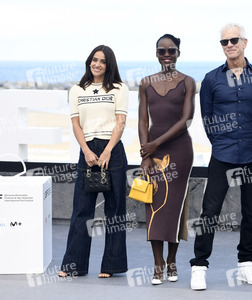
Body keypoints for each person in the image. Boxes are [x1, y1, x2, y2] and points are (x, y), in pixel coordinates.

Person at [190, 23, 252, 291]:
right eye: (224, 42)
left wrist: (251, 137)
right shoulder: (212, 79)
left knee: (251, 213)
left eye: (234, 40)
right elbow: (207, 118)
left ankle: (246, 264)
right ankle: (199, 265)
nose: (229, 45)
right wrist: (222, 142)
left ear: (245, 42)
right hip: (222, 154)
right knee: (209, 212)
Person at [59, 45, 129, 278]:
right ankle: (73, 265)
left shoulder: (119, 88)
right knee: (82, 209)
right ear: (89, 62)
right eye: (94, 60)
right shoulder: (77, 90)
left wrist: (108, 150)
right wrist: (87, 151)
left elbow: (120, 122)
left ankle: (112, 266)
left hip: (113, 151)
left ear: (109, 65)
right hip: (87, 151)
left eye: (102, 61)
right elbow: (76, 124)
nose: (97, 64)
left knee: (115, 210)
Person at [138, 34, 196, 285]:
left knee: (174, 208)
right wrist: (146, 154)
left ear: (178, 53)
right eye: (162, 50)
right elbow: (142, 121)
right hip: (152, 154)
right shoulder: (145, 83)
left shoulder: (188, 82)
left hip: (179, 152)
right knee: (152, 207)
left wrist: (155, 143)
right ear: (156, 53)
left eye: (171, 50)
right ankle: (157, 263)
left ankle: (172, 261)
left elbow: (186, 120)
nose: (166, 54)